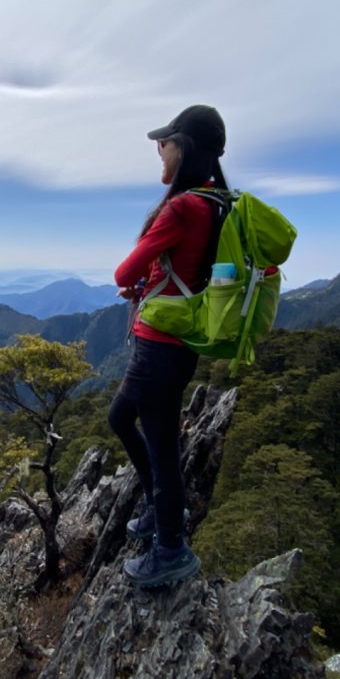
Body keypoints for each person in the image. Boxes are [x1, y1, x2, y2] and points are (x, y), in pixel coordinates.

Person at [110, 104, 229, 587]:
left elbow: (124, 271)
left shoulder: (182, 207)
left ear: (185, 149)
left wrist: (137, 282)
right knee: (121, 418)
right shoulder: (218, 202)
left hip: (160, 345)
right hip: (181, 339)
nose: (159, 151)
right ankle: (159, 505)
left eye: (165, 144)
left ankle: (171, 548)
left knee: (160, 445)